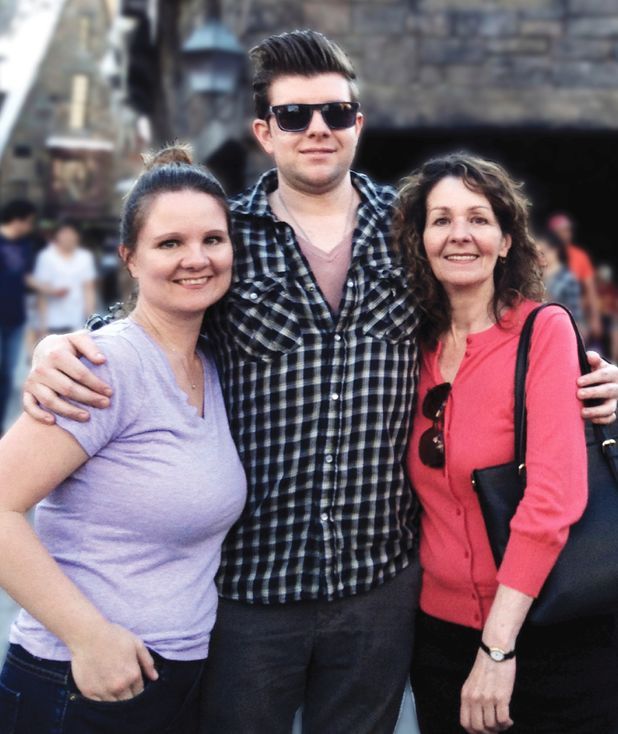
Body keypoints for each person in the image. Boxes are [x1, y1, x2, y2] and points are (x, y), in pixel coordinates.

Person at [19, 31, 618, 734]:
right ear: (264, 131)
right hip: (252, 592)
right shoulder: (227, 236)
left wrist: (598, 376)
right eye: (296, 116)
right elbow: (161, 301)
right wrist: (69, 343)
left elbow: (493, 320)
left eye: (335, 113)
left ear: (357, 124)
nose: (318, 130)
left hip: (380, 588)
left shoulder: (410, 230)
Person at [0, 146, 247, 734]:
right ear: (129, 260)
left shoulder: (209, 365)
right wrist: (89, 637)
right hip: (81, 683)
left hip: (172, 678)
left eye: (213, 239)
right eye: (169, 244)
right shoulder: (104, 367)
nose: (197, 258)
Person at [395, 153, 618, 734]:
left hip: (550, 632)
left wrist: (496, 650)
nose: (459, 235)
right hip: (440, 640)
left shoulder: (541, 331)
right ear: (420, 239)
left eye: (478, 218)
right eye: (440, 220)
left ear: (505, 239)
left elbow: (551, 500)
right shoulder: (407, 348)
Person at [0, 200, 68, 434]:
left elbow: (26, 277)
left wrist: (50, 290)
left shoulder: (25, 246)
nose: (30, 227)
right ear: (19, 219)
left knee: (7, 373)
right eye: (29, 222)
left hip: (15, 317)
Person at [34, 219, 97, 335]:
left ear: (78, 236)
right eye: (64, 233)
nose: (68, 237)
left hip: (77, 322)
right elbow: (41, 293)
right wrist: (42, 325)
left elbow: (88, 289)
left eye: (71, 234)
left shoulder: (85, 257)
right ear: (57, 235)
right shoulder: (46, 257)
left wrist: (90, 318)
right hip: (52, 322)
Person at [548, 212, 602, 341]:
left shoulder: (580, 256)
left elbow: (590, 289)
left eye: (568, 230)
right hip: (551, 316)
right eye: (560, 231)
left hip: (576, 315)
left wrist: (595, 319)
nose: (565, 234)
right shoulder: (544, 254)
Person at [535, 228, 584, 329]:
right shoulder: (533, 275)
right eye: (537, 253)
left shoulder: (568, 278)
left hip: (560, 328)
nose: (539, 257)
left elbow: (575, 314)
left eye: (543, 252)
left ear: (555, 250)